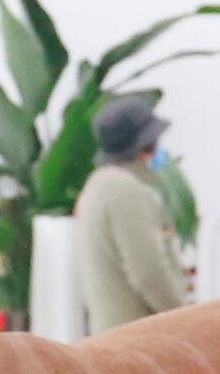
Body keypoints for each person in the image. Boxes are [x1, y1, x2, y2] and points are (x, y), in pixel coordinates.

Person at [68, 90, 191, 333]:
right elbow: (149, 273)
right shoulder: (126, 191)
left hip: (112, 337)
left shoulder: (98, 185)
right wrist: (187, 320)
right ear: (144, 146)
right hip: (140, 343)